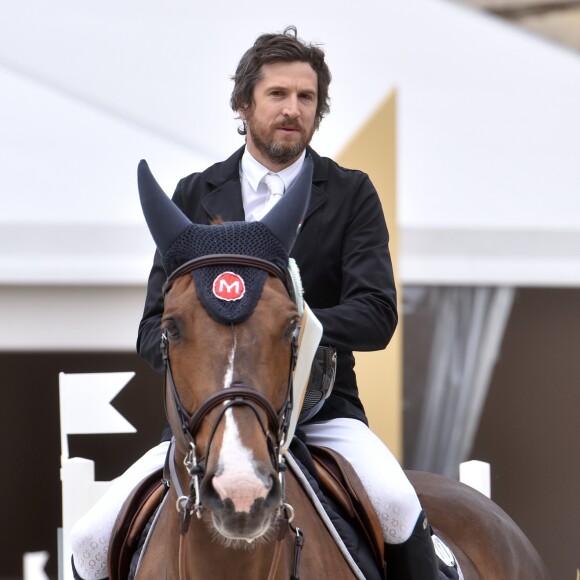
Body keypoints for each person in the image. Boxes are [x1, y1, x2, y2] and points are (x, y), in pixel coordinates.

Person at [71, 26, 458, 580]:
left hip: (322, 414)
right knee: (87, 543)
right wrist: (205, 346)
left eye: (306, 98)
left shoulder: (350, 193)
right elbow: (151, 330)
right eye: (277, 94)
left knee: (397, 507)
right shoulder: (193, 196)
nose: (293, 109)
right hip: (207, 422)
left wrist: (287, 325)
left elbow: (376, 314)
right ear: (243, 103)